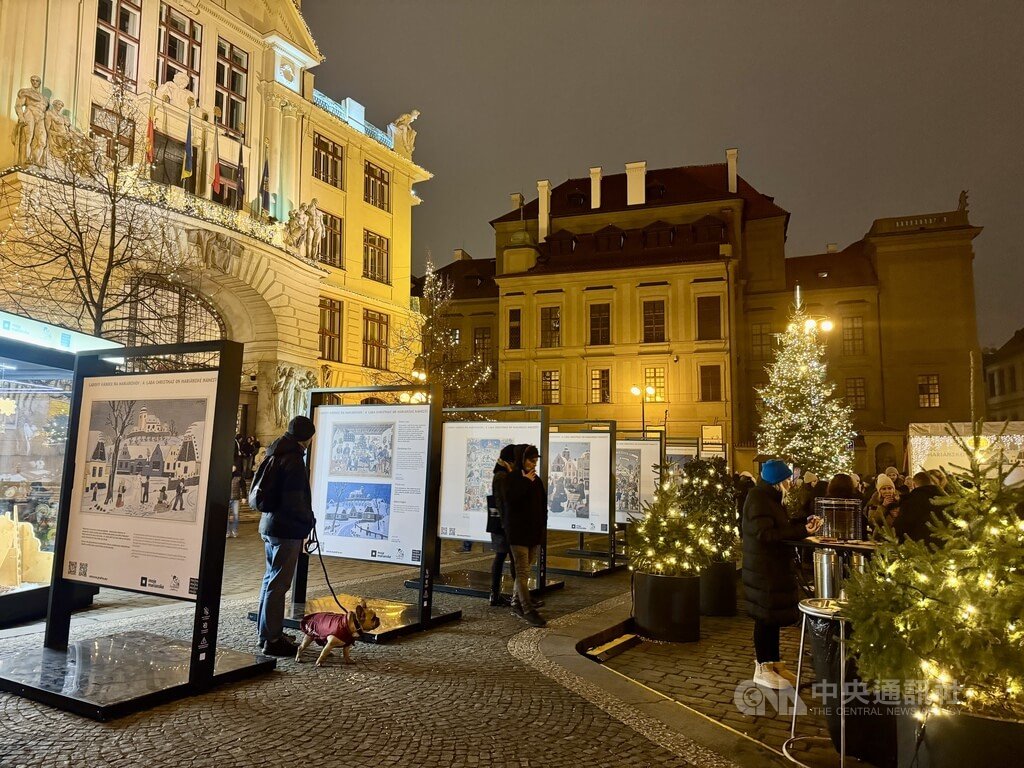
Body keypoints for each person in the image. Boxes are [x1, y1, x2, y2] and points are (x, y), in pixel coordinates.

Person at [742, 459, 822, 690]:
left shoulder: (771, 499)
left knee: (772, 618)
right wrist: (800, 531)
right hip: (764, 569)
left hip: (771, 567)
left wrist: (802, 524)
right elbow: (765, 534)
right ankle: (763, 666)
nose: (791, 482)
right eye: (787, 478)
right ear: (778, 481)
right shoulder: (759, 498)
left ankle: (774, 662)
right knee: (764, 618)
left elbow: (779, 526)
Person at [256, 415, 317, 656]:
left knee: (270, 581)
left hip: (270, 525)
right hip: (285, 529)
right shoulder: (293, 460)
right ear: (308, 438)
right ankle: (272, 639)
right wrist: (308, 520)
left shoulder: (275, 453)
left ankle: (268, 633)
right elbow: (294, 501)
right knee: (279, 584)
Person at [502, 444, 547, 627]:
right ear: (522, 460)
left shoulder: (537, 480)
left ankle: (515, 602)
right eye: (531, 460)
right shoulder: (512, 478)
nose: (533, 464)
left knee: (527, 566)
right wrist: (524, 482)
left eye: (535, 460)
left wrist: (542, 530)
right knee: (522, 571)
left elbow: (542, 506)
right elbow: (510, 502)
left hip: (533, 533)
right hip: (518, 534)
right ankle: (527, 608)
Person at [487, 444, 517, 607]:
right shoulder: (502, 475)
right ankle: (508, 595)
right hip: (503, 524)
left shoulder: (503, 473)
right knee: (507, 557)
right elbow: (502, 501)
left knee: (504, 557)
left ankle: (499, 594)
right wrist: (507, 524)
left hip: (502, 523)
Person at [893, 471, 944, 545]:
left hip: (918, 547)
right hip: (943, 545)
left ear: (914, 484)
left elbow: (901, 526)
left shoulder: (911, 500)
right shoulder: (944, 499)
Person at [227, 464, 244, 538]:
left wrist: (244, 497)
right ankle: (227, 531)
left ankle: (235, 530)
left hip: (235, 498)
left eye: (234, 465)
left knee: (236, 515)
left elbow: (243, 486)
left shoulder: (239, 475)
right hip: (226, 498)